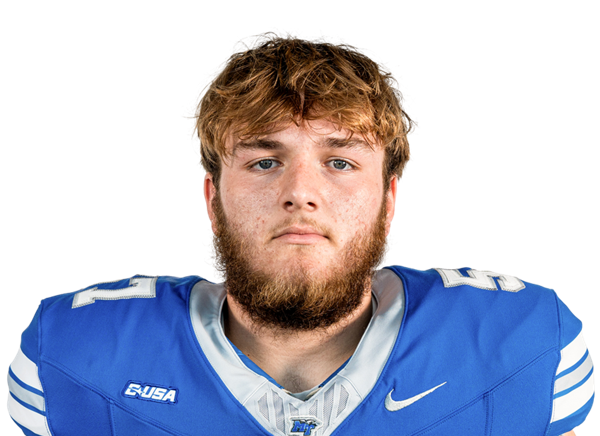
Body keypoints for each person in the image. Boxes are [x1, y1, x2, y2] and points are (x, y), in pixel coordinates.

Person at [6, 32, 593, 436]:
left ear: (389, 198)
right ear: (212, 198)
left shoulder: (519, 346)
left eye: (340, 162)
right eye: (265, 161)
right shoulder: (76, 355)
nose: (300, 193)